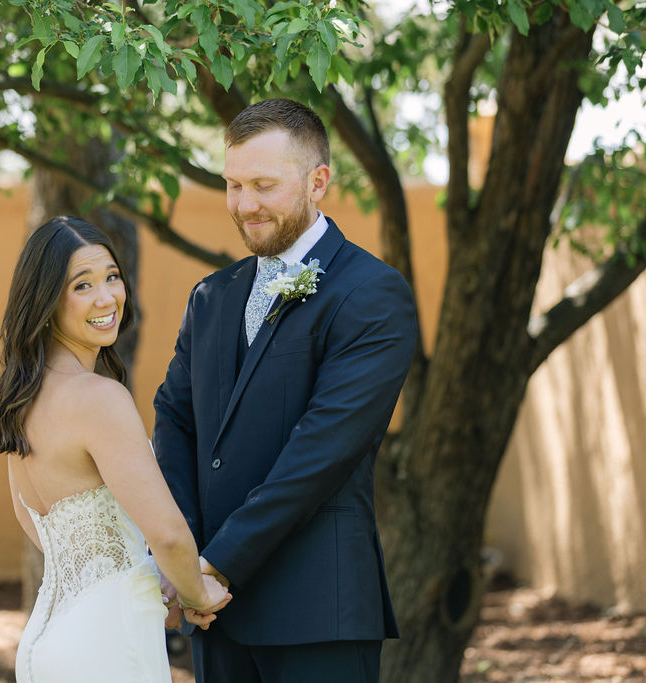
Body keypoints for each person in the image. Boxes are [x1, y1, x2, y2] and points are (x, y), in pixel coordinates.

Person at [153, 98, 418, 682]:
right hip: (214, 615)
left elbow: (320, 452)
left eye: (264, 185)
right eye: (233, 185)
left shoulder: (372, 293)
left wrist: (218, 566)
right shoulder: (212, 297)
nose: (245, 205)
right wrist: (185, 558)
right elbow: (175, 419)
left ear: (317, 181)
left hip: (316, 610)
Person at [0, 216, 230, 683]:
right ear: (46, 300)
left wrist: (138, 580)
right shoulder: (100, 398)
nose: (107, 298)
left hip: (46, 642)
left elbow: (43, 530)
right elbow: (170, 535)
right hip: (108, 643)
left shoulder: (21, 402)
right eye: (82, 285)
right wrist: (195, 593)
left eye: (112, 277)